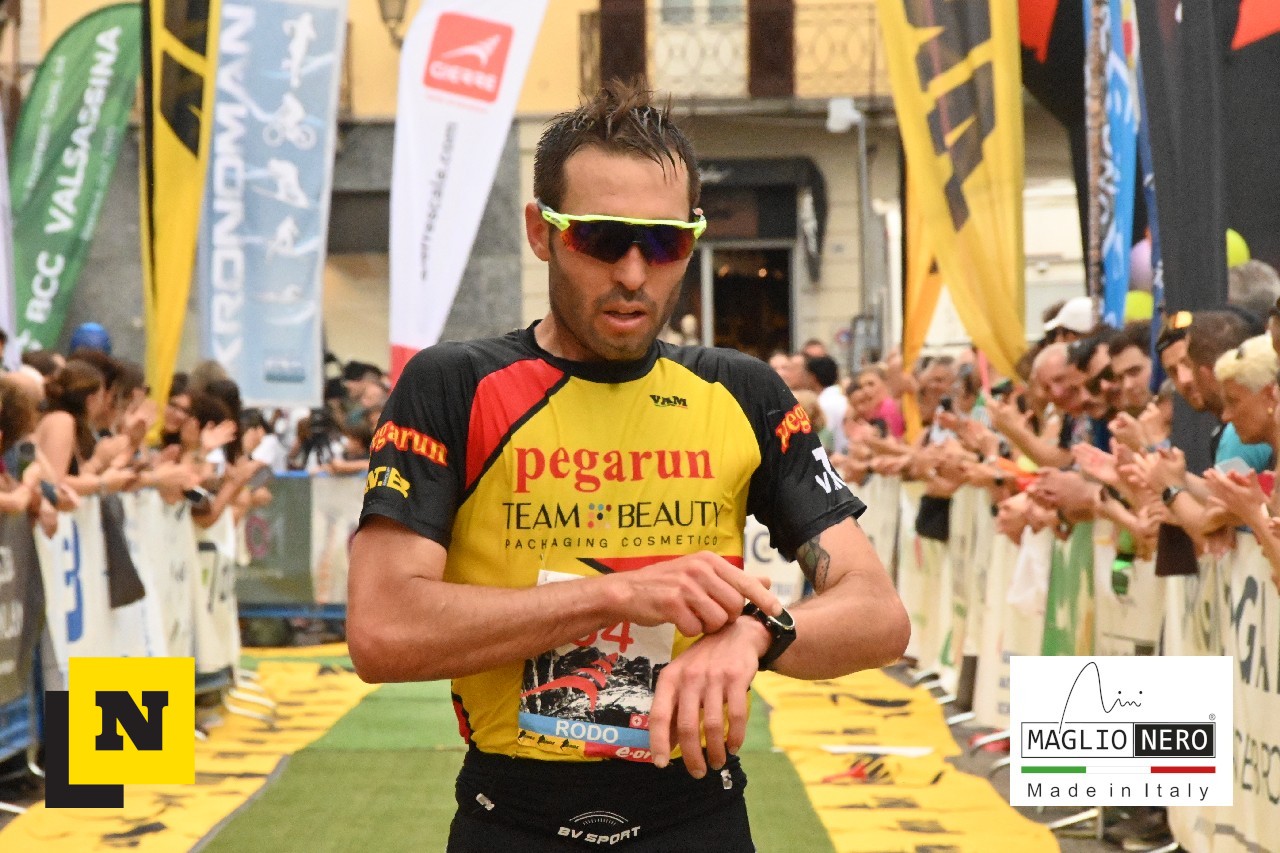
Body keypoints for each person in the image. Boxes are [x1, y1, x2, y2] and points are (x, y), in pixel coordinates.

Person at [348, 80, 909, 852]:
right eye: (603, 239)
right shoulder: (454, 384)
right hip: (512, 818)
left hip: (697, 815)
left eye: (665, 243)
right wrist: (617, 594)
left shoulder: (741, 390)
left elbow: (878, 613)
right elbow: (381, 630)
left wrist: (755, 634)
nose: (635, 274)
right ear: (541, 232)